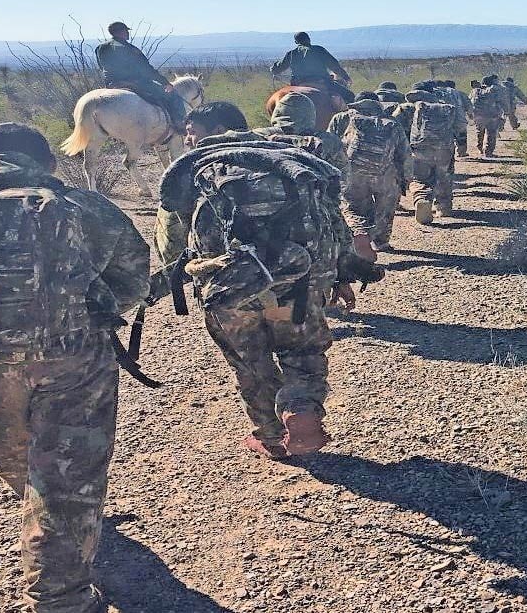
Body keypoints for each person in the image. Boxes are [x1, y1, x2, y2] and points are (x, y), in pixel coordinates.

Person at [0, 122, 150, 613]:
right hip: (70, 358)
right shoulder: (79, 205)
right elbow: (133, 275)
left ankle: (41, 502)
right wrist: (92, 310)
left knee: (11, 450)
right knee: (65, 476)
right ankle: (60, 599)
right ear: (48, 162)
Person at [154, 120, 381, 461]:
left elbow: (171, 246)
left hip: (228, 288)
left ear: (202, 133)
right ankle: (300, 408)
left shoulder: (195, 173)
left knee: (250, 363)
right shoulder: (291, 164)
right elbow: (335, 228)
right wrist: (340, 278)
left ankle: (272, 436)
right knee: (302, 354)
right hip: (299, 286)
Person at [328, 98, 409, 252]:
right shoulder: (391, 122)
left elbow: (330, 143)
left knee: (354, 207)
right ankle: (381, 242)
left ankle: (360, 233)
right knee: (386, 208)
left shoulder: (341, 118)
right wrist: (406, 178)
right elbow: (404, 153)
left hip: (353, 172)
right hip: (385, 173)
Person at [95, 21, 188, 133]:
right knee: (173, 95)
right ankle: (180, 125)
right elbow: (146, 69)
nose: (128, 34)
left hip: (111, 84)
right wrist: (164, 82)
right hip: (135, 83)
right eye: (126, 31)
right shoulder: (129, 49)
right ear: (122, 32)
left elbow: (102, 66)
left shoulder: (100, 48)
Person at [403, 88, 456, 223]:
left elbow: (397, 127)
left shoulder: (407, 108)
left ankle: (422, 199)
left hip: (419, 149)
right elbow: (460, 126)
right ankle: (443, 208)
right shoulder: (445, 108)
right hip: (444, 148)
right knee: (444, 175)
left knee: (419, 178)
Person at [270, 32, 354, 104]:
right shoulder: (319, 50)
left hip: (298, 84)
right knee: (350, 96)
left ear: (296, 42)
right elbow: (335, 66)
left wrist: (273, 69)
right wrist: (346, 77)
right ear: (309, 39)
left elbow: (276, 69)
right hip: (322, 82)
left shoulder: (291, 54)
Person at [470, 76, 504, 157]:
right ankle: (488, 152)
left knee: (480, 132)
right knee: (491, 133)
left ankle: (480, 148)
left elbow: (470, 101)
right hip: (491, 115)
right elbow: (500, 101)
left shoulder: (475, 90)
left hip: (478, 115)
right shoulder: (494, 90)